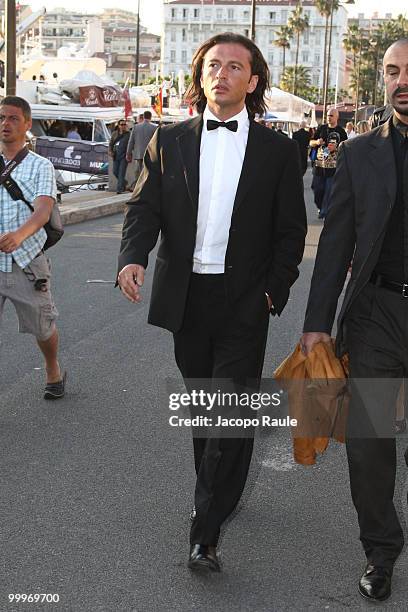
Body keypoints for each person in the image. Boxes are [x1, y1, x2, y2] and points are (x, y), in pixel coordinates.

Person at [117, 32, 306, 573]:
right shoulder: (170, 141)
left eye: (234, 67)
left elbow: (291, 231)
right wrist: (133, 257)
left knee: (227, 409)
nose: (221, 74)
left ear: (252, 80)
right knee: (208, 407)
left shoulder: (277, 150)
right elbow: (143, 208)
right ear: (200, 76)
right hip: (187, 298)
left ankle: (206, 531)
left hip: (245, 299)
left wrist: (274, 290)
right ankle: (216, 493)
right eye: (213, 65)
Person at [300, 39, 408, 602]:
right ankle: (381, 549)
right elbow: (336, 241)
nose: (400, 80)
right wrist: (317, 322)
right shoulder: (361, 152)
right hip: (377, 314)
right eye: (392, 71)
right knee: (369, 442)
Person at [0, 96, 65, 399]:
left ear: (27, 125)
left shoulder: (41, 166)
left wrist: (19, 235)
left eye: (13, 118)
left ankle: (53, 368)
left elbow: (42, 211)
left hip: (26, 262)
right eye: (2, 117)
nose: (5, 123)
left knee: (43, 327)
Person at [310, 108, 347, 219]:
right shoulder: (321, 129)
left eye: (331, 115)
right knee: (317, 189)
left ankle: (324, 211)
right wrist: (317, 142)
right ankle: (320, 206)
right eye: (327, 115)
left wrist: (336, 147)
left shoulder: (341, 131)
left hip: (333, 167)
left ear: (337, 117)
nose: (329, 117)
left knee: (329, 190)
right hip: (319, 166)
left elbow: (346, 146)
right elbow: (311, 142)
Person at [126, 110, 157, 187]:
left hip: (138, 154)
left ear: (143, 116)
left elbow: (131, 141)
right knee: (148, 172)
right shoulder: (154, 127)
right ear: (150, 117)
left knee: (139, 172)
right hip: (150, 154)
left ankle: (139, 187)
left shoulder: (136, 127)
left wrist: (128, 153)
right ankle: (146, 187)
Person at [109, 120, 129, 194]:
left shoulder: (128, 134)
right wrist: (110, 151)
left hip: (124, 155)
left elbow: (131, 144)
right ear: (119, 125)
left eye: (124, 124)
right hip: (116, 155)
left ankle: (119, 189)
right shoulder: (114, 134)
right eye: (121, 124)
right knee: (115, 171)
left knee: (121, 173)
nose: (123, 126)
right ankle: (124, 183)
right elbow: (111, 143)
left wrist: (129, 153)